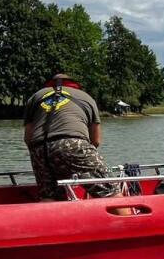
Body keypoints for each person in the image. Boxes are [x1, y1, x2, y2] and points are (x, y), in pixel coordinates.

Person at [23, 73, 121, 201]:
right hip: (72, 143)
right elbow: (96, 140)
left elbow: (28, 138)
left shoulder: (36, 96)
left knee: (49, 196)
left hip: (38, 148)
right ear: (74, 84)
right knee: (110, 190)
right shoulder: (86, 97)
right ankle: (128, 219)